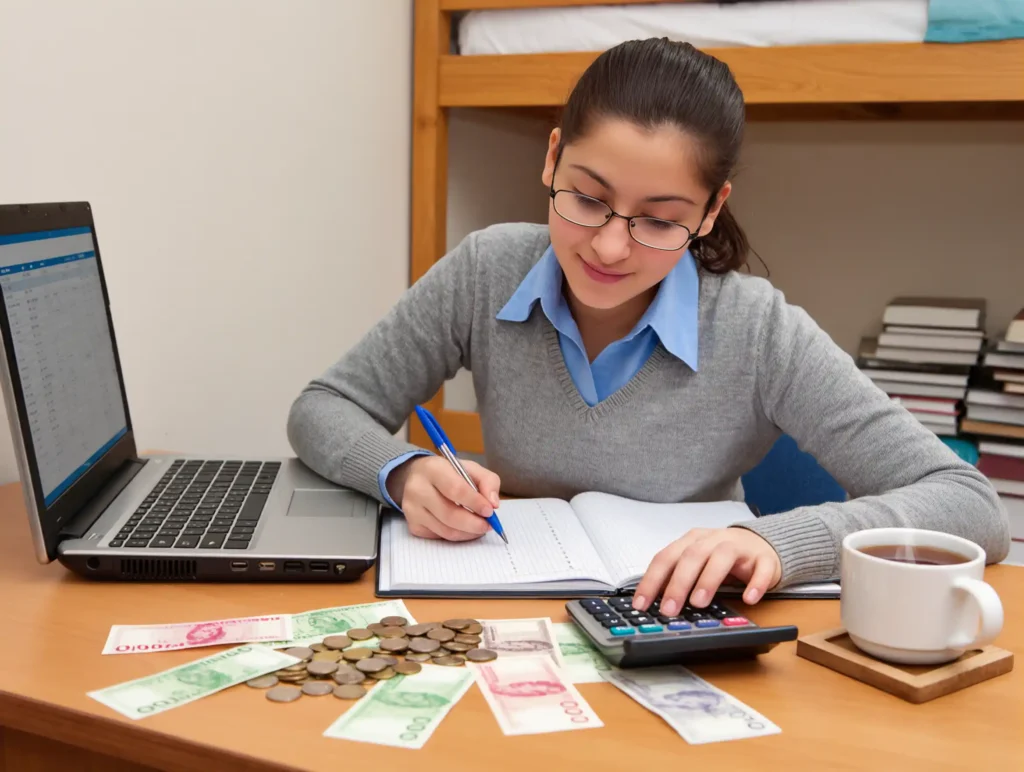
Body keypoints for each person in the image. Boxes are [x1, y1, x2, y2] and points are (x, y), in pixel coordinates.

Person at [287, 38, 1008, 618]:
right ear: (551, 157)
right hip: (511, 615)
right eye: (586, 199)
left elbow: (970, 503)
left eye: (659, 221)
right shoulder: (486, 270)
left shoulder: (757, 328)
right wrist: (401, 471)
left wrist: (777, 541)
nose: (608, 248)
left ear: (710, 210)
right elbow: (323, 407)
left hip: (682, 633)